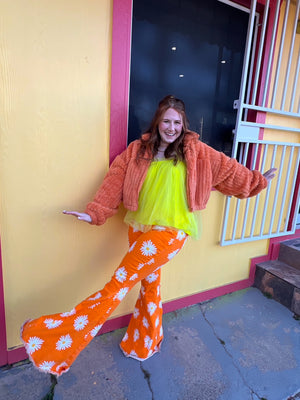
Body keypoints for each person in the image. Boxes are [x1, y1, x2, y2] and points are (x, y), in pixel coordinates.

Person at [21, 95, 276, 376]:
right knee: (149, 287)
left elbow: (228, 170)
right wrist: (94, 212)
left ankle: (50, 340)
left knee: (115, 287)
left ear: (183, 124)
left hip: (170, 232)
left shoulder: (196, 151)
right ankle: (144, 343)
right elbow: (114, 180)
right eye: (166, 120)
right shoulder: (138, 150)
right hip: (139, 227)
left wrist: (258, 180)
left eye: (177, 122)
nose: (171, 127)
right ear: (157, 122)